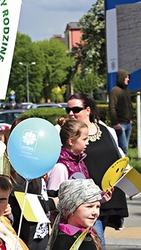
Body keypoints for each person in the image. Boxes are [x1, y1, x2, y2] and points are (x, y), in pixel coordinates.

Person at [66, 93, 128, 250]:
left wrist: (132, 182)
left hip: (109, 198)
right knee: (98, 244)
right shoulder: (66, 134)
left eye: (76, 109)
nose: (71, 113)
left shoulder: (106, 130)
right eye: (68, 109)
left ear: (88, 110)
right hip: (87, 202)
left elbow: (119, 158)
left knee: (94, 242)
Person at [8, 116, 57, 250]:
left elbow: (41, 194)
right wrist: (53, 203)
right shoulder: (17, 173)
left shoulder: (36, 166)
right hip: (26, 235)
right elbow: (26, 203)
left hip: (39, 232)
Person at [48, 179, 103, 250]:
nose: (95, 212)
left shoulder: (89, 234)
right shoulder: (64, 241)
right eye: (89, 206)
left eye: (97, 206)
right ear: (71, 209)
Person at [47, 119, 90, 190]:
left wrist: (100, 196)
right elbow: (55, 196)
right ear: (71, 141)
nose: (87, 142)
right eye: (84, 139)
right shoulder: (60, 167)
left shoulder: (80, 162)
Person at [109, 69, 133, 155]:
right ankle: (122, 166)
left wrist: (130, 119)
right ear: (121, 78)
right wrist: (115, 123)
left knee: (125, 147)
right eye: (126, 77)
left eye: (128, 77)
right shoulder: (115, 91)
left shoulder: (126, 91)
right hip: (120, 125)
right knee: (123, 148)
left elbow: (129, 106)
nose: (128, 79)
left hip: (127, 124)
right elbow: (112, 107)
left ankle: (124, 165)